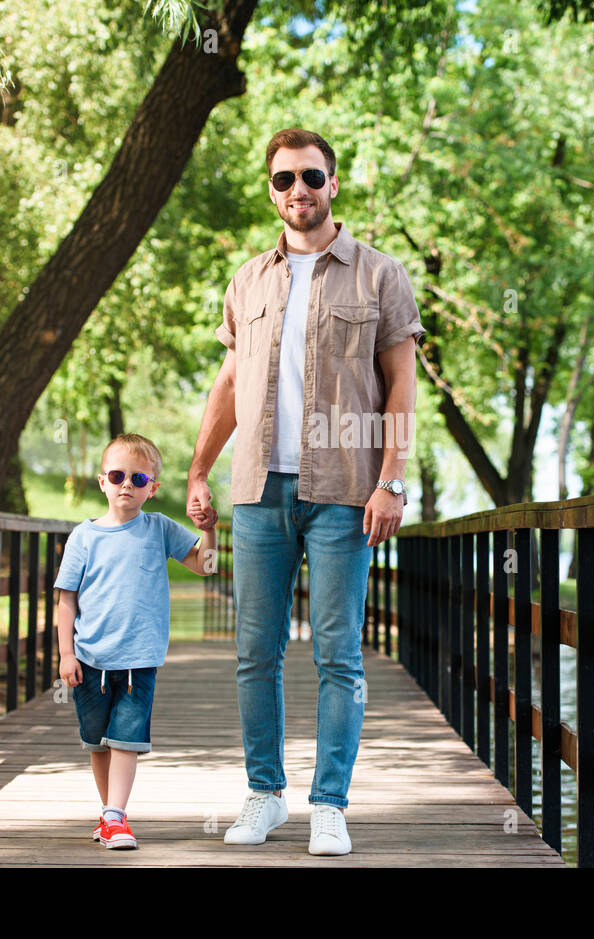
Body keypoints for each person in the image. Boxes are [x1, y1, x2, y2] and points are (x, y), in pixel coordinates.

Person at [186, 128, 426, 855]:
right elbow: (228, 387)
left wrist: (392, 480)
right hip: (259, 491)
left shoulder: (379, 275)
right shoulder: (248, 280)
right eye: (285, 178)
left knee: (338, 653)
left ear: (333, 183)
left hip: (347, 491)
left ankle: (330, 804)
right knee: (255, 651)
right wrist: (198, 469)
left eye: (312, 177)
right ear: (271, 190)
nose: (300, 190)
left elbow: (401, 388)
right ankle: (265, 795)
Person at [55, 433, 216, 850]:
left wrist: (209, 533)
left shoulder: (159, 529)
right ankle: (109, 812)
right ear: (103, 482)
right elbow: (66, 599)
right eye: (118, 474)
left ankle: (115, 816)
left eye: (139, 477)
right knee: (96, 740)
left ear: (152, 488)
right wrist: (66, 654)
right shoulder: (83, 536)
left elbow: (205, 566)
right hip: (89, 658)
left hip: (138, 659)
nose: (128, 483)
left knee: (126, 738)